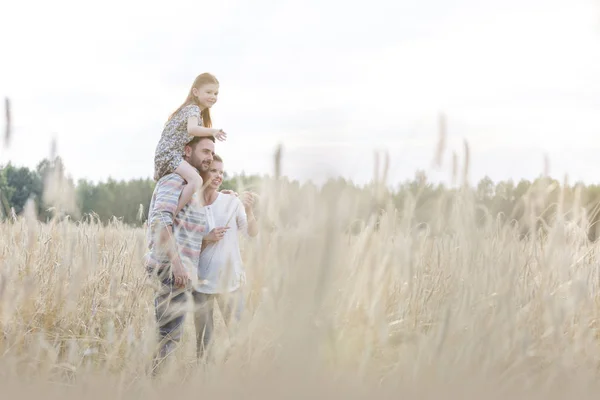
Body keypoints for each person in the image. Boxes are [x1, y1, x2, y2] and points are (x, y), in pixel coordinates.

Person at [146, 135, 227, 374]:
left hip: (182, 273)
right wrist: (178, 265)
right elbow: (160, 222)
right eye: (205, 151)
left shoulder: (193, 188)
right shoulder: (174, 180)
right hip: (171, 271)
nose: (209, 157)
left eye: (212, 153)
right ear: (187, 151)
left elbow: (185, 230)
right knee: (168, 339)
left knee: (171, 338)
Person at [193, 154, 259, 360]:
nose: (218, 176)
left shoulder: (231, 201)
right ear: (202, 172)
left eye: (221, 172)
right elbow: (182, 245)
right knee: (205, 343)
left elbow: (251, 234)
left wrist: (248, 209)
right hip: (201, 284)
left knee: (240, 337)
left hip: (231, 282)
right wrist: (206, 239)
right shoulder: (191, 205)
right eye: (213, 171)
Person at [153, 72, 227, 218]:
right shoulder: (192, 109)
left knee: (194, 178)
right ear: (195, 92)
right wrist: (214, 131)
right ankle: (173, 214)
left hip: (166, 153)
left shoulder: (190, 111)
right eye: (209, 92)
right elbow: (192, 129)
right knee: (196, 180)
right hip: (169, 154)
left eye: (216, 93)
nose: (213, 96)